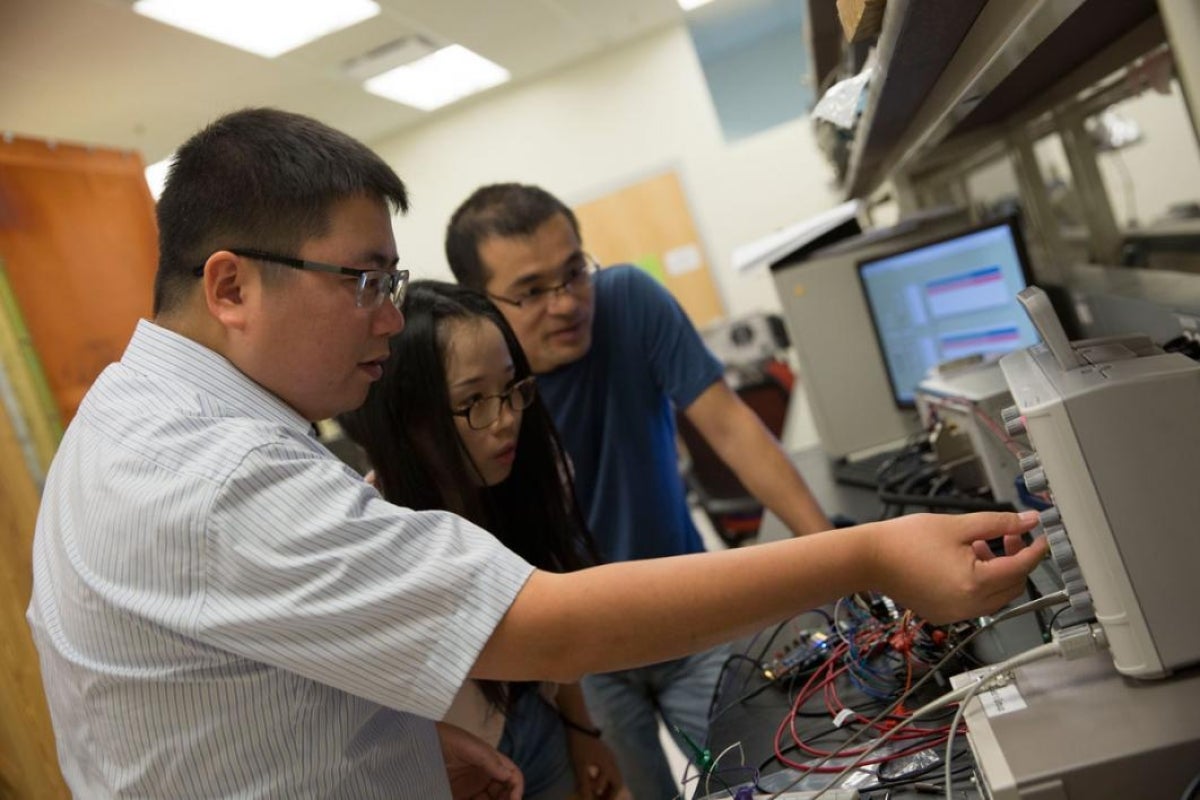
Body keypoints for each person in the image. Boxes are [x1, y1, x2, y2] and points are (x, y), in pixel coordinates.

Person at [27, 107, 1046, 799]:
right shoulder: (214, 474)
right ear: (232, 285)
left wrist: (409, 745)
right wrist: (868, 556)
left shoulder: (128, 418)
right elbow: (541, 625)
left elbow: (193, 685)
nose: (390, 319)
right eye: (366, 282)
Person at [437, 183, 832, 795]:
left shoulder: (629, 301)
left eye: (574, 273)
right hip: (581, 658)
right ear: (483, 304)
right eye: (533, 291)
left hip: (689, 613)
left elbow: (730, 428)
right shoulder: (476, 395)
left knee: (770, 774)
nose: (567, 303)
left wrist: (831, 558)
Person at [336, 280, 627, 800]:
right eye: (473, 401)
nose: (507, 419)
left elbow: (555, 625)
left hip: (535, 718)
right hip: (451, 768)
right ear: (406, 416)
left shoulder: (537, 472)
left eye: (512, 388)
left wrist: (583, 733)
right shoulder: (370, 538)